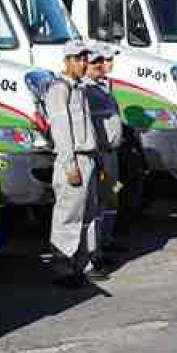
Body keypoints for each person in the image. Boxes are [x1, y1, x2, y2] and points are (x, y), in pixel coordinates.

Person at [46, 40, 108, 287]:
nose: (83, 63)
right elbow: (61, 129)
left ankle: (85, 261)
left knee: (88, 214)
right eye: (78, 58)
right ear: (67, 61)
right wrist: (69, 163)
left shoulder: (79, 88)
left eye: (85, 58)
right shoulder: (59, 88)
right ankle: (63, 266)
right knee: (68, 215)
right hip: (73, 159)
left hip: (88, 156)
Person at [83, 44, 124, 260]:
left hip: (112, 152)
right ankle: (95, 248)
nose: (103, 65)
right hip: (101, 153)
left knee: (113, 194)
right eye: (97, 62)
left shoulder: (105, 85)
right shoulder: (87, 89)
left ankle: (107, 238)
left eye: (105, 61)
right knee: (99, 199)